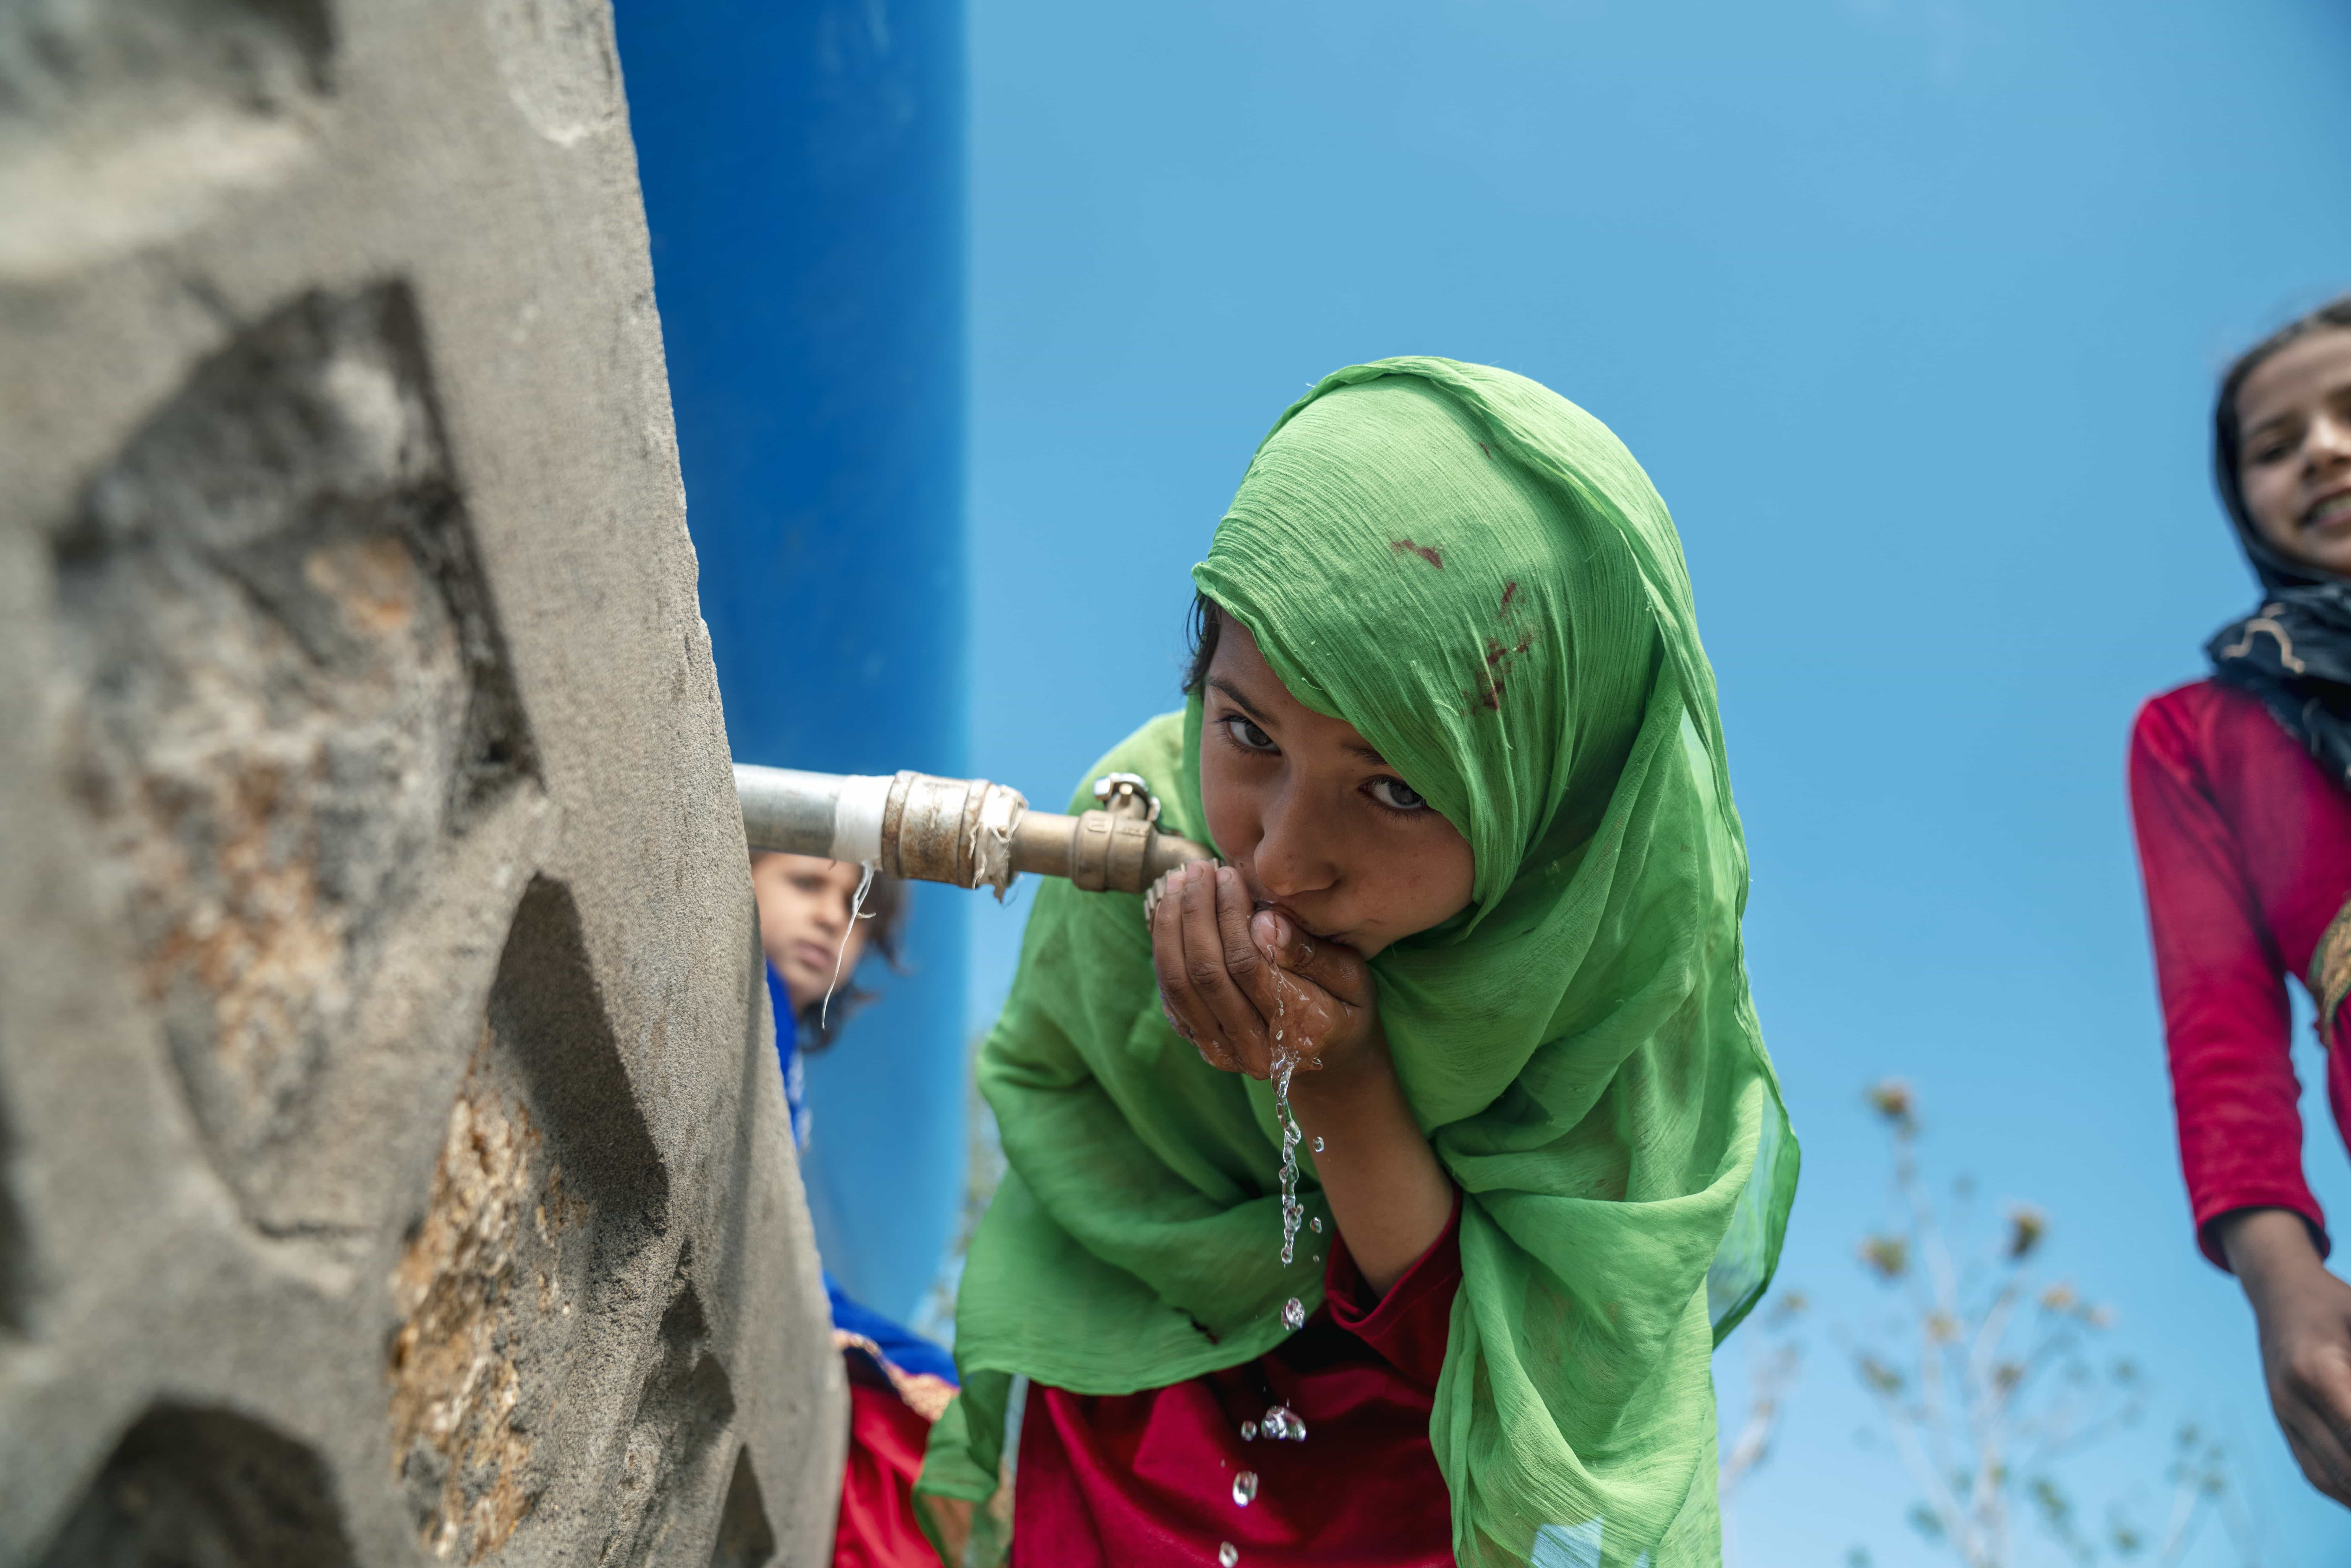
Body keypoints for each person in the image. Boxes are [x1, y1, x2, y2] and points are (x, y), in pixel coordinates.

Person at [914, 358, 1797, 1567]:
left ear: (1546, 812)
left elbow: (1547, 1431)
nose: (1284, 858)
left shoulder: (1607, 1001)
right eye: (1246, 733)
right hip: (1111, 1463)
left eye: (1393, 789)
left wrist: (1340, 1087)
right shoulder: (1131, 842)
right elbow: (1082, 1166)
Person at [2129, 294, 2351, 1510]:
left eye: (2348, 415)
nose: (2318, 449)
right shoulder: (2196, 734)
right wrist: (2280, 1285)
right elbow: (2218, 1034)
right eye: (2273, 446)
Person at [749, 851, 954, 1568]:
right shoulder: (753, 996)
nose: (832, 917)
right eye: (806, 885)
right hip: (782, 1284)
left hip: (794, 1281)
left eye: (855, 910)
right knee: (916, 1389)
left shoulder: (775, 1027)